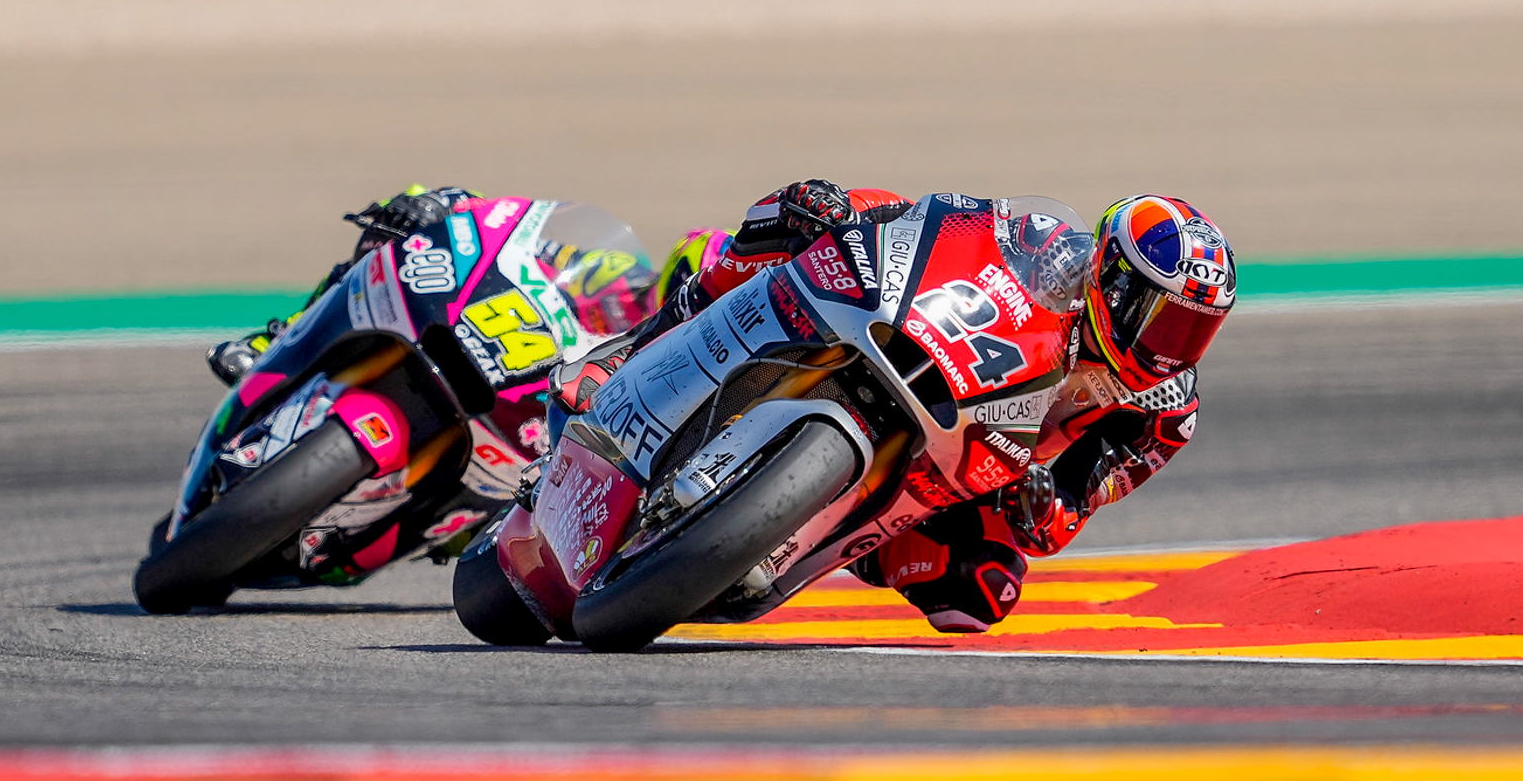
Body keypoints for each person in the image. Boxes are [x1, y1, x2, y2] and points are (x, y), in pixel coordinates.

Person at [555, 180, 1236, 634]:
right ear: (1111, 279)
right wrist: (851, 218)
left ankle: (797, 533)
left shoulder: (1162, 413)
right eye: (1162, 318)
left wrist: (1041, 501)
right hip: (934, 353)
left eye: (1193, 331)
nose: (1171, 347)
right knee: (845, 206)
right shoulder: (1051, 248)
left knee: (983, 590)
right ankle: (632, 349)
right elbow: (954, 225)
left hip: (976, 470)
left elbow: (1067, 512)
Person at [205, 185, 669, 386]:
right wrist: (437, 206)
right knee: (388, 244)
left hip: (523, 414)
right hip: (452, 336)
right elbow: (504, 226)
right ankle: (279, 345)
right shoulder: (601, 270)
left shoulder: (658, 357)